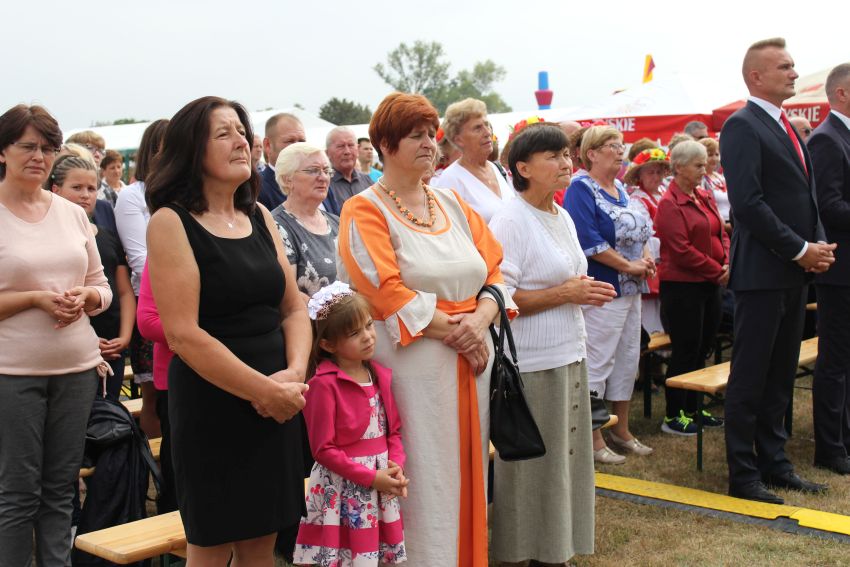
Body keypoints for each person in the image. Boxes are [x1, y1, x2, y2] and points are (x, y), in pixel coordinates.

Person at [337, 92, 514, 567]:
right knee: (423, 476)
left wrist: (479, 321)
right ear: (385, 145)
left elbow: (495, 272)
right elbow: (383, 291)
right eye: (414, 135)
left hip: (471, 362)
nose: (428, 144)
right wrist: (461, 332)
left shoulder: (452, 203)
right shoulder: (364, 209)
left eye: (430, 135)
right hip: (413, 372)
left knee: (467, 470)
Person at [145, 96, 311, 563]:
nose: (241, 141)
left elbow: (293, 308)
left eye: (242, 130)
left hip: (278, 398)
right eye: (224, 133)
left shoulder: (259, 216)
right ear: (191, 150)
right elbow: (182, 334)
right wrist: (264, 390)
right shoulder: (171, 222)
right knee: (212, 547)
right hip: (213, 403)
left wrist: (294, 374)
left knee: (262, 543)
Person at [489, 124, 616, 567]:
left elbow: (566, 278)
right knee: (532, 470)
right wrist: (566, 293)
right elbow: (499, 298)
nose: (566, 163)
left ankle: (556, 549)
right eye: (554, 156)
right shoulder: (510, 220)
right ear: (523, 168)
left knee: (565, 463)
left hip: (568, 353)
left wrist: (581, 291)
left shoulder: (560, 214)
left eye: (566, 154)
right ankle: (519, 553)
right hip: (532, 363)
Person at [721, 37, 835, 504]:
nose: (794, 73)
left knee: (781, 375)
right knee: (751, 376)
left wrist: (816, 245)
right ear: (756, 76)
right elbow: (748, 204)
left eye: (792, 66)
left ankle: (775, 461)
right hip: (762, 274)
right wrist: (800, 248)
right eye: (785, 67)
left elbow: (806, 196)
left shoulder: (784, 124)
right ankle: (743, 473)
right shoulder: (741, 126)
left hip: (791, 272)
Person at [0, 104, 112, 565]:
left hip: (76, 368)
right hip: (12, 372)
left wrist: (87, 297)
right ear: (3, 151)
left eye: (48, 148)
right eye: (27, 146)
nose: (38, 157)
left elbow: (102, 286)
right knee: (17, 493)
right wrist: (33, 299)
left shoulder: (71, 213)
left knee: (61, 490)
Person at [293, 282, 408, 566]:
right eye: (355, 333)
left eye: (369, 326)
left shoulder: (379, 375)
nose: (368, 337)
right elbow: (323, 450)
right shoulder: (323, 385)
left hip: (379, 481)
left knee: (374, 556)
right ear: (327, 344)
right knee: (346, 557)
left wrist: (395, 467)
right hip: (343, 488)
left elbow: (393, 432)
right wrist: (371, 477)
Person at [563, 125, 656, 465]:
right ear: (591, 153)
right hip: (604, 288)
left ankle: (622, 429)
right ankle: (593, 436)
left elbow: (640, 230)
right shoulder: (580, 188)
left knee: (628, 357)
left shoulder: (620, 189)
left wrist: (645, 257)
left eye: (621, 145)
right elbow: (588, 240)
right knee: (598, 360)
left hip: (631, 289)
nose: (620, 151)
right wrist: (628, 265)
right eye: (612, 145)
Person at [654, 141, 730, 435]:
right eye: (698, 165)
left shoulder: (702, 196)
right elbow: (681, 249)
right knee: (686, 349)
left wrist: (726, 261)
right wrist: (717, 271)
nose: (704, 170)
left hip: (709, 284)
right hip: (683, 287)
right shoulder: (669, 203)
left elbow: (720, 232)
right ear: (679, 167)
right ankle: (674, 414)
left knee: (703, 347)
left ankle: (694, 407)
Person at [49, 155, 136, 400]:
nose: (85, 195)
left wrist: (124, 337)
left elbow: (124, 291)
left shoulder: (107, 236)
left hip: (113, 347)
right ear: (55, 189)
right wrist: (87, 340)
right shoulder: (49, 240)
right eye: (76, 187)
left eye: (91, 188)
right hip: (72, 347)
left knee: (109, 415)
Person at [115, 118, 169, 437]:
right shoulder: (133, 195)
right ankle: (156, 460)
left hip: (189, 301)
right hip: (151, 301)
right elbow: (139, 258)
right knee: (154, 398)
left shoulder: (187, 194)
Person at [809, 63, 850, 475]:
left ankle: (845, 436)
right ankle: (830, 447)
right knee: (835, 360)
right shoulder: (826, 138)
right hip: (839, 271)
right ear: (842, 93)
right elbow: (828, 205)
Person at [271, 143, 340, 299]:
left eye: (326, 171)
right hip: (309, 315)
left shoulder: (337, 222)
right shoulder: (276, 226)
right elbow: (289, 297)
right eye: (313, 170)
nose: (323, 177)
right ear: (287, 179)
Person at [432, 98, 515, 221]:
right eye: (477, 128)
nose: (487, 132)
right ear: (458, 140)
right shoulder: (450, 180)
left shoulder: (498, 169)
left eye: (487, 125)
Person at [624, 148, 671, 334]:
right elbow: (645, 236)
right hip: (657, 261)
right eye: (651, 172)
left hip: (669, 260)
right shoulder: (637, 201)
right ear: (639, 176)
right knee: (652, 316)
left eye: (659, 171)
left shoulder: (664, 192)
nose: (656, 176)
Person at [259, 113, 306, 210]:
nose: (298, 147)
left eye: (302, 141)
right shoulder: (256, 190)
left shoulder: (319, 182)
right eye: (290, 141)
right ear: (268, 145)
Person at [324, 127, 374, 215]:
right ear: (327, 153)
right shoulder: (323, 184)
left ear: (357, 149)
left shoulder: (368, 181)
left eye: (351, 145)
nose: (347, 151)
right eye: (340, 146)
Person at [699, 137, 732, 233]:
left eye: (716, 154)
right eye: (710, 155)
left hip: (731, 222)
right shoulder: (701, 180)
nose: (714, 158)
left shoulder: (720, 177)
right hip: (719, 226)